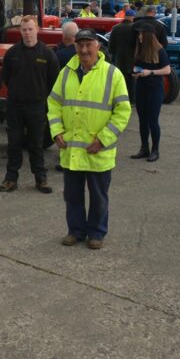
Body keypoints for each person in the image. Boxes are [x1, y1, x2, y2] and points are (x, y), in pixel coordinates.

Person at [47, 29, 131, 250]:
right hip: (72, 149)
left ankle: (96, 233)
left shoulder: (113, 75)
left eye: (88, 45)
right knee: (72, 196)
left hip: (98, 151)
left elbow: (123, 111)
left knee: (98, 197)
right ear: (75, 47)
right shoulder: (66, 73)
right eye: (80, 45)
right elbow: (54, 103)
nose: (84, 50)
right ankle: (75, 230)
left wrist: (104, 139)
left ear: (98, 46)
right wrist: (56, 131)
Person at [0, 15, 60, 194]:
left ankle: (41, 179)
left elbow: (54, 81)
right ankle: (10, 180)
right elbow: (6, 78)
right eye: (24, 30)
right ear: (20, 31)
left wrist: (41, 99)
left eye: (30, 29)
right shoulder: (12, 53)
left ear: (37, 29)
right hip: (15, 106)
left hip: (37, 107)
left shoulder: (47, 54)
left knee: (36, 145)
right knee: (14, 144)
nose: (27, 33)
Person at [130, 22, 172, 163]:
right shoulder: (140, 49)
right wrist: (136, 72)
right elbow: (138, 66)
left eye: (141, 34)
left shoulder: (160, 51)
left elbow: (167, 70)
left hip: (154, 89)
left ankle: (155, 150)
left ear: (147, 36)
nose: (139, 36)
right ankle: (144, 148)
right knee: (142, 120)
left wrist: (151, 72)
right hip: (141, 87)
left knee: (152, 120)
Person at [108, 8, 137, 103]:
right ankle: (132, 100)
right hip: (132, 59)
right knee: (131, 81)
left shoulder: (116, 28)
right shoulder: (135, 28)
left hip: (119, 59)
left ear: (125, 16)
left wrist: (112, 55)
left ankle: (119, 100)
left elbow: (111, 45)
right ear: (132, 17)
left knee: (119, 80)